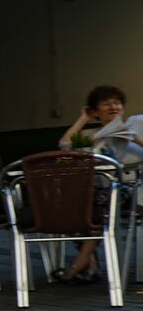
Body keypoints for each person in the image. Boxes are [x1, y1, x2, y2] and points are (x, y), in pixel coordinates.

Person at [54, 85, 138, 284]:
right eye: (106, 103)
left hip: (126, 188)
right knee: (68, 202)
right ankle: (89, 262)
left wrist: (136, 138)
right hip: (96, 189)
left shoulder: (133, 129)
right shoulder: (94, 135)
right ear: (95, 111)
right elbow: (65, 145)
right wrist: (84, 118)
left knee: (100, 202)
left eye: (117, 102)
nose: (113, 106)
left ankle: (82, 262)